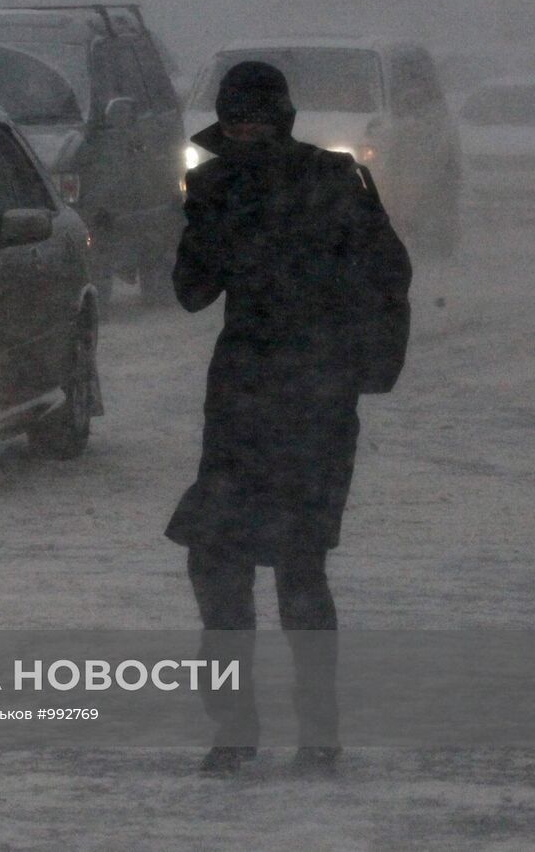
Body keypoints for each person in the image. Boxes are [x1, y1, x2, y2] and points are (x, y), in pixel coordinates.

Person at [168, 61, 412, 778]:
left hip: (309, 399)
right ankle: (240, 729)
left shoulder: (333, 184)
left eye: (257, 120)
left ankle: (313, 731)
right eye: (235, 121)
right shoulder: (224, 188)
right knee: (220, 562)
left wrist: (365, 371)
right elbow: (190, 291)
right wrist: (207, 212)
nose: (247, 133)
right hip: (248, 400)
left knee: (296, 569)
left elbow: (386, 278)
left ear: (282, 119)